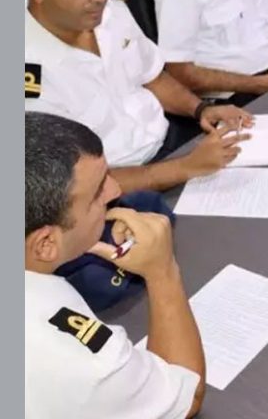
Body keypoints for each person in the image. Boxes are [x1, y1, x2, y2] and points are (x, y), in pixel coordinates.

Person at [24, 0, 252, 193]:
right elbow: (73, 188)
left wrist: (200, 109)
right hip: (117, 188)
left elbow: (152, 77)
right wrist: (185, 168)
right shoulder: (30, 72)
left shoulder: (111, 12)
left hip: (172, 143)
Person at [25, 112, 206, 418]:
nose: (115, 192)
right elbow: (186, 393)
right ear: (45, 244)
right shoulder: (79, 361)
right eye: (97, 193)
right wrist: (162, 271)